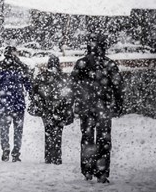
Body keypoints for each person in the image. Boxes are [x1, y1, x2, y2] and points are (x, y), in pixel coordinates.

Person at [70, 36, 123, 184]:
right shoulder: (109, 64)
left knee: (87, 139)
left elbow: (72, 86)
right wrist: (118, 103)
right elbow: (118, 85)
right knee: (104, 139)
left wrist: (72, 104)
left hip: (85, 107)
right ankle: (102, 172)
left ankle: (87, 170)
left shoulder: (81, 63)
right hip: (103, 108)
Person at [0, 46, 32, 162]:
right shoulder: (21, 67)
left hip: (3, 102)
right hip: (18, 102)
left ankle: (5, 148)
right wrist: (33, 97)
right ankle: (16, 152)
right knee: (18, 129)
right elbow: (29, 84)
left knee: (4, 128)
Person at [30, 54, 74, 164]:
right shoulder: (63, 77)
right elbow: (69, 93)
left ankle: (48, 156)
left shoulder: (42, 76)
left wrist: (41, 103)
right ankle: (57, 156)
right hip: (60, 109)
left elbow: (34, 91)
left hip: (46, 109)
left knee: (48, 131)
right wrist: (65, 105)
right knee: (58, 132)